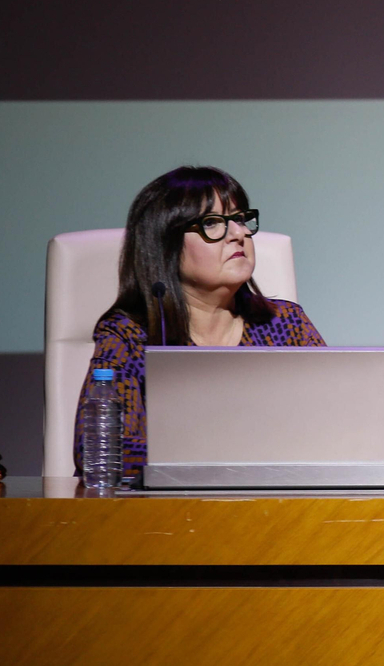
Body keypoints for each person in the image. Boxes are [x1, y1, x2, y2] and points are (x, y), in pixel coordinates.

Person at [73, 166, 325, 480]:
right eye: (212, 223)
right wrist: (236, 453)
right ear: (165, 245)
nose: (239, 233)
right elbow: (100, 450)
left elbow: (335, 427)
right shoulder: (131, 336)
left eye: (240, 219)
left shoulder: (285, 324)